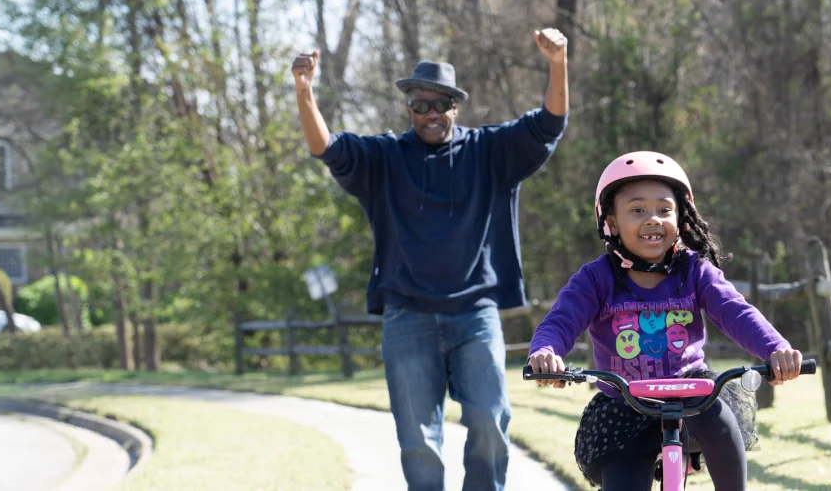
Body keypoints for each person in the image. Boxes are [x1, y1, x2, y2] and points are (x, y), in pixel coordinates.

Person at [291, 28, 570, 491]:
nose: (431, 113)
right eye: (421, 105)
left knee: (488, 421)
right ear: (409, 108)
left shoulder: (488, 151)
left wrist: (558, 62)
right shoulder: (384, 157)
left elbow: (550, 123)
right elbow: (326, 148)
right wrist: (305, 92)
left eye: (440, 104)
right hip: (407, 317)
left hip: (475, 315)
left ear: (454, 107)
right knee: (418, 441)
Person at [526, 151, 803, 490]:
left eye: (664, 209)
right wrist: (546, 351)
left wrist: (775, 348)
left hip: (692, 395)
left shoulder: (695, 270)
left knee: (719, 417)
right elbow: (560, 321)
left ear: (681, 218)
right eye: (637, 210)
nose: (653, 219)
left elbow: (736, 311)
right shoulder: (596, 279)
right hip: (624, 404)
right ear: (611, 222)